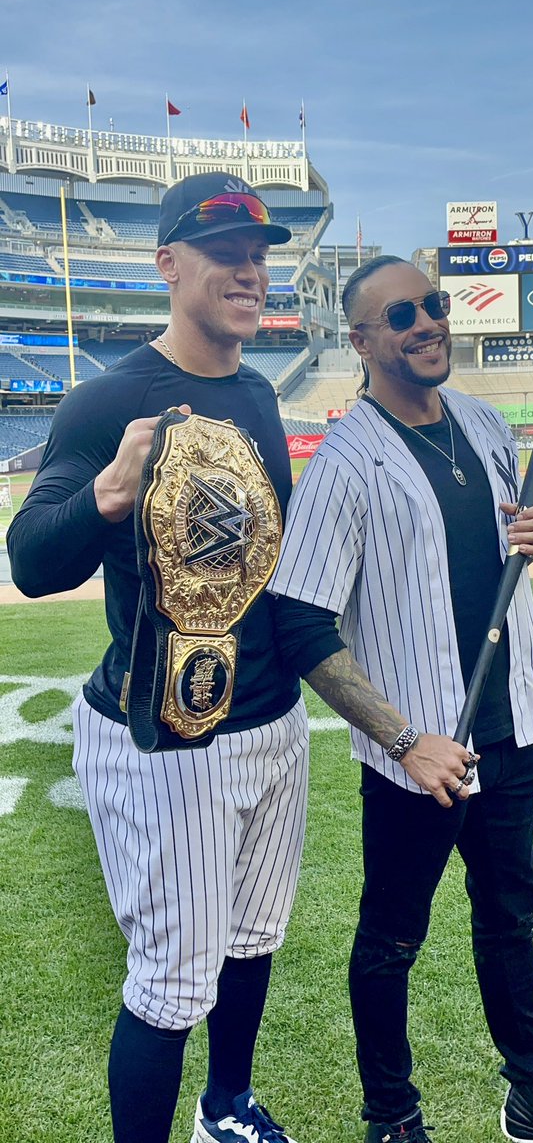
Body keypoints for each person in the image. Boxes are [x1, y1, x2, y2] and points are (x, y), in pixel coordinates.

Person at [269, 256, 533, 1143]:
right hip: (420, 760)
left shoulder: (484, 425)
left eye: (434, 305)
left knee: (508, 922)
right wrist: (405, 741)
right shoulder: (344, 462)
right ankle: (391, 1118)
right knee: (389, 945)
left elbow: (507, 544)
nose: (426, 323)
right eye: (400, 314)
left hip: (511, 730)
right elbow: (299, 625)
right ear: (360, 341)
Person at [7, 172, 308, 1143]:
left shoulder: (260, 394)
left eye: (260, 252)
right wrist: (106, 492)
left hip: (272, 722)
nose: (250, 269)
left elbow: (274, 565)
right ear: (167, 263)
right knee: (175, 978)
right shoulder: (108, 401)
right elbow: (31, 560)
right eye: (226, 252)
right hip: (163, 738)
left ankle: (227, 1107)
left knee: (255, 939)